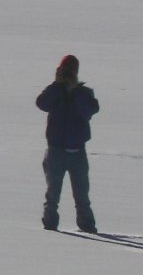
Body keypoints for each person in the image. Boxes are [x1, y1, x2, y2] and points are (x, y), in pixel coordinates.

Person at [36, 54, 100, 233]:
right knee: (52, 195)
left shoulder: (84, 93)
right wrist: (57, 86)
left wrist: (74, 91)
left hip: (78, 153)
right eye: (66, 71)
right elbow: (41, 103)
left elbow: (89, 111)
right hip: (55, 151)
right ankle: (50, 227)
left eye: (71, 71)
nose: (69, 74)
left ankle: (87, 226)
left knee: (82, 197)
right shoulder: (55, 91)